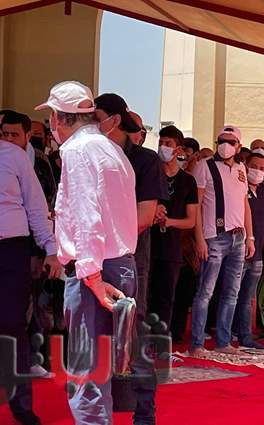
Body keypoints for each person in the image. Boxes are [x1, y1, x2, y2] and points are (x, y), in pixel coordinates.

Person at [36, 80, 137, 423]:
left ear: (56, 118)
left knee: (88, 372)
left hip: (95, 269)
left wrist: (92, 277)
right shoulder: (112, 149)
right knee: (104, 367)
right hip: (119, 262)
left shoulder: (78, 151)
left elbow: (86, 217)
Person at [95, 93, 169, 424]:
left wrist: (107, 238)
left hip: (129, 256)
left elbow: (146, 215)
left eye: (97, 119)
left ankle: (143, 411)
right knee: (93, 335)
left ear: (115, 120)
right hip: (93, 257)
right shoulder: (91, 155)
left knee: (131, 331)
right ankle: (102, 407)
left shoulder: (145, 160)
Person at [0, 120, 61, 425]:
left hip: (11, 250)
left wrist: (50, 248)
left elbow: (36, 207)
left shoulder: (12, 156)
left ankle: (21, 406)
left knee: (12, 324)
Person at [190, 125, 255, 355]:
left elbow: (245, 205)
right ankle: (197, 343)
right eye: (221, 141)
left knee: (231, 293)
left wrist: (250, 237)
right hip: (214, 236)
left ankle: (223, 341)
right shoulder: (204, 166)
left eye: (230, 142)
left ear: (238, 146)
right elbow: (196, 205)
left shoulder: (241, 169)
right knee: (205, 292)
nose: (225, 145)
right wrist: (199, 239)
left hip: (238, 237)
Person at [148, 125, 198, 330]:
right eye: (161, 143)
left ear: (178, 149)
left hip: (171, 248)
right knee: (145, 295)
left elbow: (191, 220)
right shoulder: (150, 174)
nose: (163, 147)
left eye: (168, 144)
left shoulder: (188, 181)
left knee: (166, 297)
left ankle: (161, 338)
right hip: (148, 243)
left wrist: (169, 222)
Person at [233, 153, 264, 349]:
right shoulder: (239, 187)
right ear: (246, 165)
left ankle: (245, 335)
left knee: (247, 297)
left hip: (258, 253)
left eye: (262, 168)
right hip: (240, 249)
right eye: (254, 166)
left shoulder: (263, 191)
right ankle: (228, 332)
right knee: (231, 295)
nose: (258, 171)